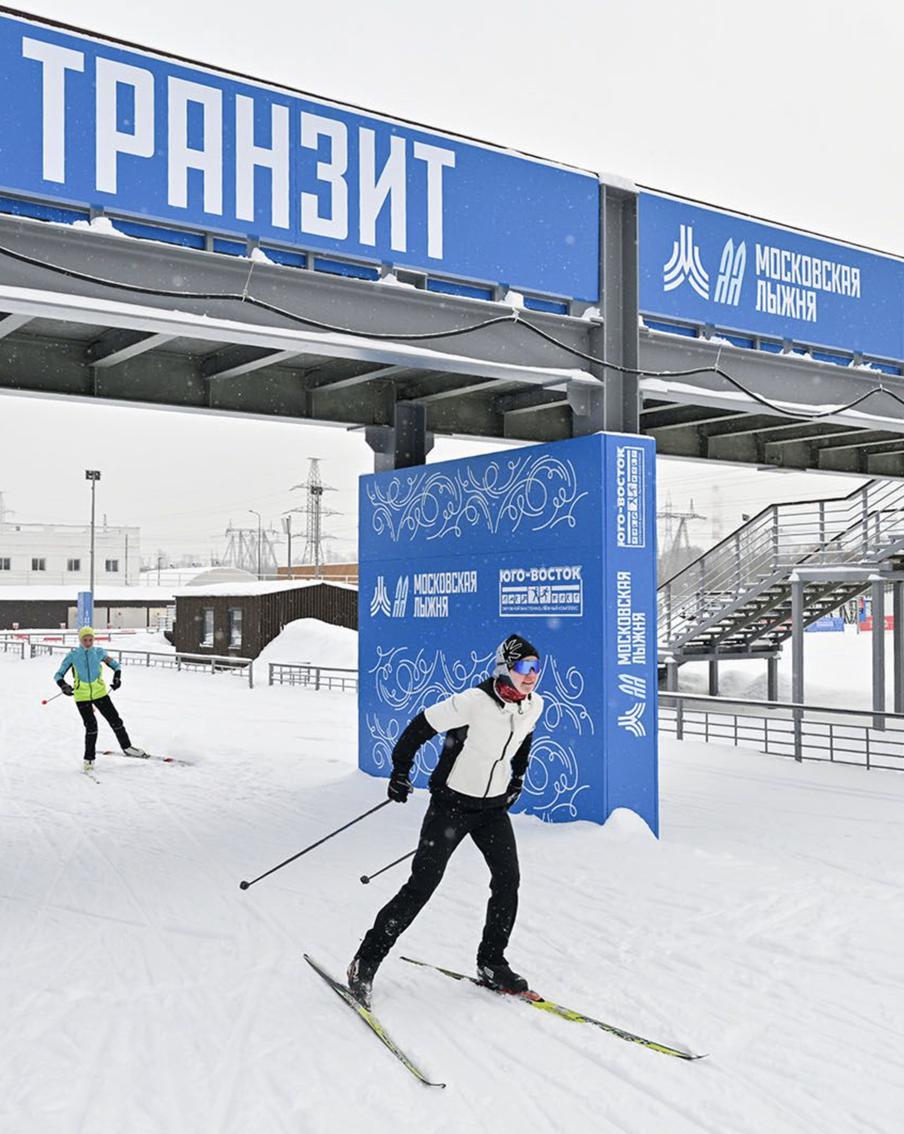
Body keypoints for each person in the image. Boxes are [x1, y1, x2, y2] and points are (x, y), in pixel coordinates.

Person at [348, 634, 544, 1008]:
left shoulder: (532, 706)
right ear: (505, 667)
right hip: (451, 807)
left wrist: (516, 779)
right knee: (422, 885)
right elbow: (419, 728)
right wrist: (400, 772)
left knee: (508, 880)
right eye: (523, 667)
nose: (531, 675)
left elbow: (523, 741)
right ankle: (365, 962)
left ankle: (491, 962)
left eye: (536, 667)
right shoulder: (473, 702)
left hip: (492, 810)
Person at [53, 626, 145, 772]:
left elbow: (116, 666)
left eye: (90, 640)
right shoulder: (73, 655)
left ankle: (127, 747)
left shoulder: (99, 653)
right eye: (85, 640)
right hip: (82, 696)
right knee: (91, 727)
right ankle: (89, 759)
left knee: (115, 720)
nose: (88, 643)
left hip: (100, 693)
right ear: (80, 640)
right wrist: (63, 686)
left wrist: (117, 679)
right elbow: (58, 675)